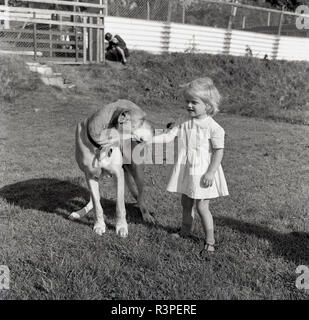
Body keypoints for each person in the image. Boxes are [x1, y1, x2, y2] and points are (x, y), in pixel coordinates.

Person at [148, 77, 229, 254]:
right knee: (186, 202)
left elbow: (218, 152)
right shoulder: (184, 122)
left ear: (208, 105)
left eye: (194, 102)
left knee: (201, 206)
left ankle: (210, 239)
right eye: (187, 101)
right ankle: (185, 231)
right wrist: (149, 138)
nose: (189, 105)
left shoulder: (214, 128)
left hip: (203, 172)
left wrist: (211, 173)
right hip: (187, 169)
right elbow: (169, 136)